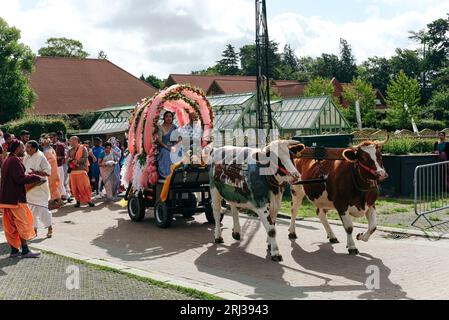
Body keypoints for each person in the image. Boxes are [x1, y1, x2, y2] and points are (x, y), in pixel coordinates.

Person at [0, 140, 42, 258]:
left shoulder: (7, 160)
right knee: (23, 223)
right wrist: (34, 177)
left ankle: (14, 250)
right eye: (23, 147)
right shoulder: (14, 160)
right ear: (17, 148)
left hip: (7, 200)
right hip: (16, 199)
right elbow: (19, 179)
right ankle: (25, 250)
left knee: (11, 225)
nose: (24, 150)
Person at [24, 141, 53, 238]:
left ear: (34, 148)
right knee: (31, 211)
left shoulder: (41, 157)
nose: (26, 149)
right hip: (29, 188)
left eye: (28, 147)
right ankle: (34, 231)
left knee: (43, 210)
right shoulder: (26, 157)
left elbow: (48, 172)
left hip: (40, 187)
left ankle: (50, 228)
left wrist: (36, 172)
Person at [67, 136, 95, 208]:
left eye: (72, 141)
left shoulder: (83, 148)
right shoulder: (69, 151)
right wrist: (69, 160)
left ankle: (89, 201)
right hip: (73, 172)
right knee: (74, 188)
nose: (70, 142)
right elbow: (67, 159)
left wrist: (77, 161)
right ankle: (77, 201)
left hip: (81, 170)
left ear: (76, 141)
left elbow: (85, 158)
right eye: (70, 141)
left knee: (84, 187)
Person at [41, 135, 63, 209]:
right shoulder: (51, 150)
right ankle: (59, 201)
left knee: (51, 187)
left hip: (50, 172)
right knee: (54, 187)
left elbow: (48, 162)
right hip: (54, 171)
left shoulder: (47, 151)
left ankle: (52, 203)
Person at [156, 112, 179, 179]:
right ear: (164, 118)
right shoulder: (160, 127)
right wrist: (167, 147)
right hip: (163, 146)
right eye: (167, 116)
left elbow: (178, 140)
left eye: (170, 116)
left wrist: (175, 146)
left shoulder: (174, 127)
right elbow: (159, 141)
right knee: (166, 153)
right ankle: (167, 175)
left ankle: (177, 174)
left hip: (173, 146)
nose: (169, 118)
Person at [49, 132, 71, 202]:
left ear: (56, 137)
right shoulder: (49, 146)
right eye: (50, 137)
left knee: (61, 181)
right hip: (51, 167)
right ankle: (56, 196)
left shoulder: (61, 145)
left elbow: (64, 156)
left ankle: (63, 195)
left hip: (59, 166)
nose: (51, 139)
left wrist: (58, 157)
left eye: (52, 137)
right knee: (53, 182)